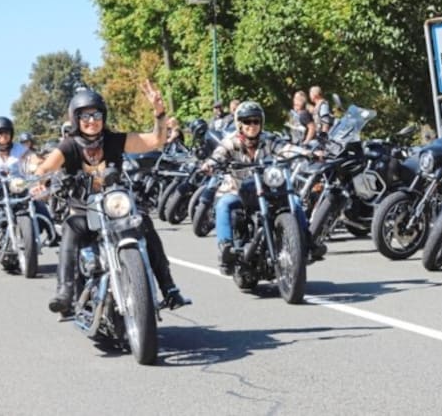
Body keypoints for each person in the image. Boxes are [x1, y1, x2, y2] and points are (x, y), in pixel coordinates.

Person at [33, 82, 189, 313]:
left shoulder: (115, 140)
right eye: (85, 116)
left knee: (145, 222)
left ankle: (169, 288)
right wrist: (39, 181)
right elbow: (45, 168)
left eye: (96, 114)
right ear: (76, 119)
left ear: (103, 116)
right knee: (70, 228)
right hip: (84, 211)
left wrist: (159, 112)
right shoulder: (68, 147)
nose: (91, 120)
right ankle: (65, 291)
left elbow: (156, 140)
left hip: (116, 206)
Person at [200, 101, 278, 276]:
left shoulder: (269, 139)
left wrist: (307, 153)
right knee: (224, 204)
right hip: (238, 190)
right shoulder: (231, 141)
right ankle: (226, 249)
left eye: (255, 121)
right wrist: (211, 163)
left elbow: (286, 148)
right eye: (247, 121)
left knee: (294, 200)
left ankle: (306, 242)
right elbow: (219, 153)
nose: (252, 125)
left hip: (266, 191)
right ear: (239, 123)